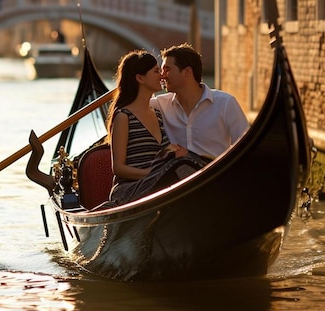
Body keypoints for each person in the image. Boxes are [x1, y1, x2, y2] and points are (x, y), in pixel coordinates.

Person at [106, 50, 187, 205]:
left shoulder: (157, 114)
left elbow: (158, 156)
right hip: (128, 189)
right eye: (156, 71)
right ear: (140, 78)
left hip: (156, 186)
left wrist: (173, 151)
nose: (162, 76)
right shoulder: (123, 116)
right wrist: (153, 174)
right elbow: (118, 168)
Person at [150, 42, 249, 160]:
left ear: (187, 72)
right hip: (178, 176)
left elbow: (246, 148)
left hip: (217, 175)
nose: (162, 76)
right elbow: (130, 106)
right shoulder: (158, 105)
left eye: (167, 69)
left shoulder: (226, 103)